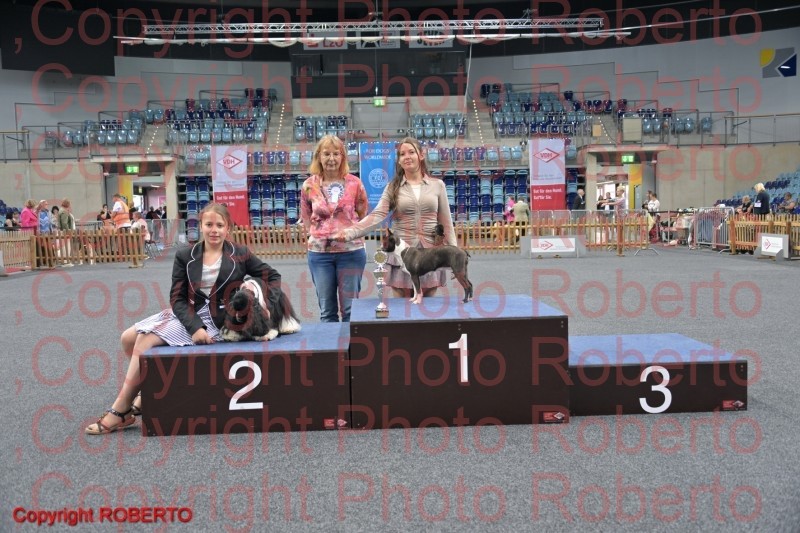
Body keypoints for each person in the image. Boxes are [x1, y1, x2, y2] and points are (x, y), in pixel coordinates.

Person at [85, 203, 285, 435]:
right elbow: (177, 298)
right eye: (209, 224)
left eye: (219, 225)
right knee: (127, 338)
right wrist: (194, 327)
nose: (214, 230)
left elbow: (273, 276)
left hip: (220, 320)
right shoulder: (184, 255)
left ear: (228, 228)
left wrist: (266, 306)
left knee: (144, 340)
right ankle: (144, 391)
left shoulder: (240, 254)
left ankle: (121, 410)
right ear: (200, 226)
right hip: (189, 312)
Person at [337, 137, 457, 300]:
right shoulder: (392, 187)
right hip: (402, 255)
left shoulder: (438, 185)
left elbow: (446, 223)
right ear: (399, 160)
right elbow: (377, 215)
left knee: (428, 306)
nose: (407, 157)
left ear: (421, 155)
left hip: (430, 254)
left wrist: (453, 254)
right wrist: (350, 232)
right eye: (402, 154)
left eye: (411, 152)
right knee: (401, 309)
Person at [300, 134, 369, 322]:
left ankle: (351, 342)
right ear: (319, 157)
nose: (331, 158)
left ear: (342, 157)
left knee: (350, 310)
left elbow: (362, 213)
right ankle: (330, 342)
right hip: (320, 255)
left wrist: (349, 231)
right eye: (326, 154)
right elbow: (306, 216)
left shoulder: (355, 183)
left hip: (351, 252)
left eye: (336, 154)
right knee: (327, 311)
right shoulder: (308, 185)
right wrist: (318, 235)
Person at [57, 198, 76, 267]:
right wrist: (68, 231)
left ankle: (64, 260)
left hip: (63, 231)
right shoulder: (64, 212)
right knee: (66, 247)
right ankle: (65, 261)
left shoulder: (62, 210)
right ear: (67, 204)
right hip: (65, 232)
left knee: (64, 247)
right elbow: (64, 223)